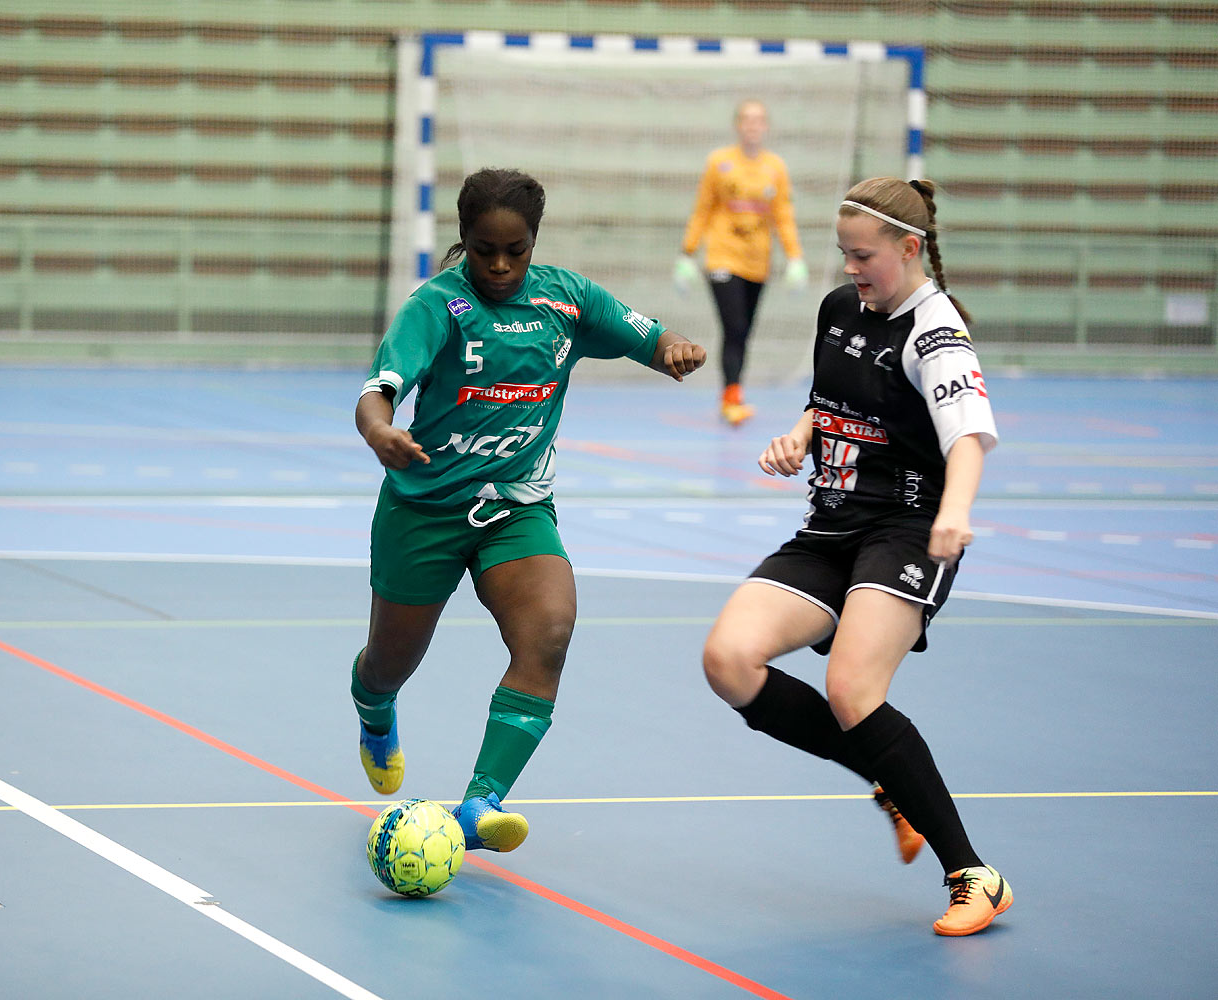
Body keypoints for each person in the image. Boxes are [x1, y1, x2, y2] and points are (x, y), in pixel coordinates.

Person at [352, 167, 706, 853]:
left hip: (516, 510)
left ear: (534, 241)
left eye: (516, 249)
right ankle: (373, 707)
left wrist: (674, 351)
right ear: (465, 241)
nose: (501, 264)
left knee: (548, 633)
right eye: (485, 249)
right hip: (424, 511)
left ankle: (480, 805)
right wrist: (379, 430)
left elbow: (650, 337)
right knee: (390, 664)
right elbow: (379, 390)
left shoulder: (566, 301)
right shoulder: (437, 306)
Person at [700, 177, 1012, 936]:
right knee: (728, 659)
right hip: (832, 526)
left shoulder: (935, 334)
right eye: (843, 253)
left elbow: (968, 436)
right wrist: (802, 434)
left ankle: (975, 875)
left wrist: (956, 512)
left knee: (851, 689)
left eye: (863, 255)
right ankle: (887, 776)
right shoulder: (843, 308)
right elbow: (831, 398)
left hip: (907, 530)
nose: (850, 268)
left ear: (910, 249)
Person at [675, 98, 808, 427]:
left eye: (759, 119)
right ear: (738, 125)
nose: (753, 125)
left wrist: (795, 258)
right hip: (722, 257)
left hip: (757, 261)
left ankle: (733, 392)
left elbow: (783, 216)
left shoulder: (775, 168)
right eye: (747, 119)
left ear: (765, 126)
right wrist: (687, 253)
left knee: (743, 332)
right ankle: (731, 397)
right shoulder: (719, 163)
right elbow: (703, 208)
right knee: (733, 327)